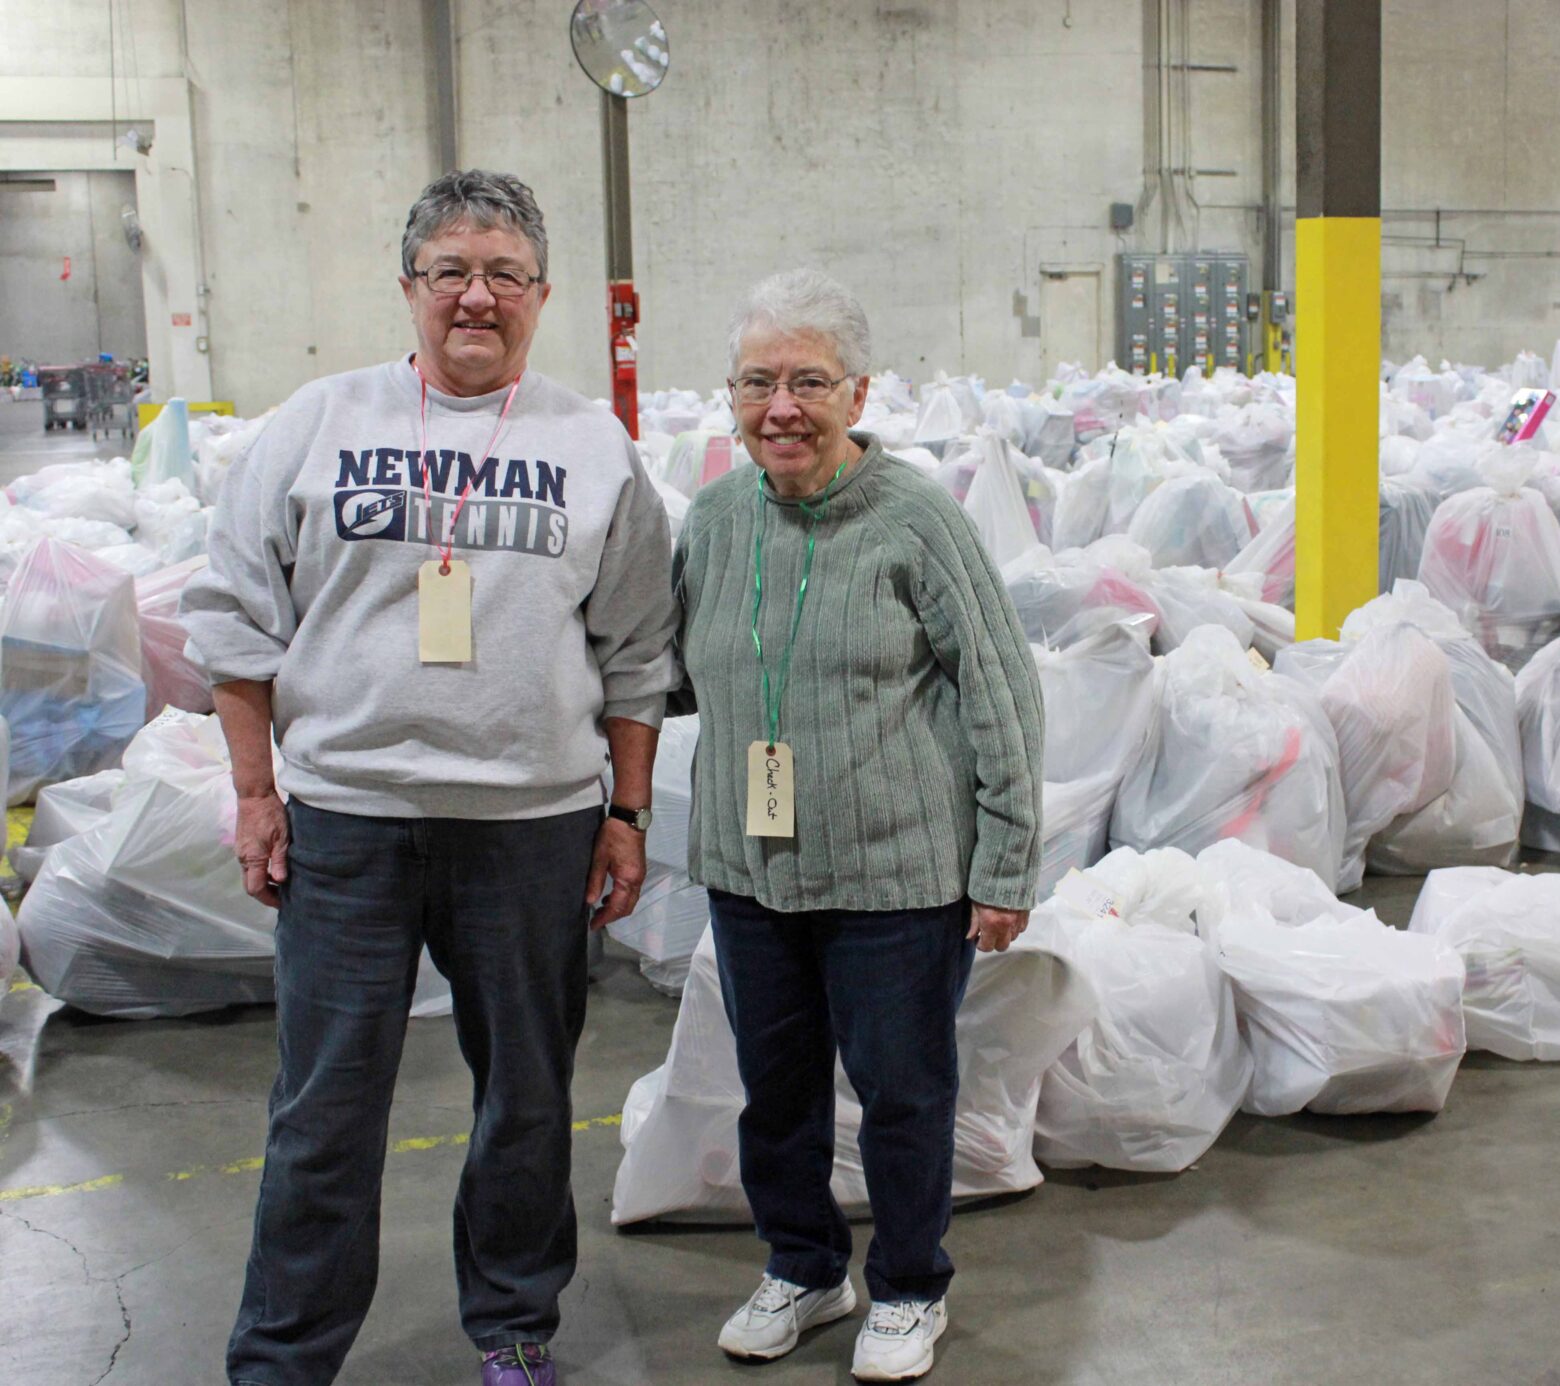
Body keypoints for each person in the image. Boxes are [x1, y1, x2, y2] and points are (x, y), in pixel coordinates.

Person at [181, 169, 678, 1386]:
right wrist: (255, 794)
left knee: (528, 1098)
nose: (476, 297)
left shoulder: (592, 447)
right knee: (325, 1108)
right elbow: (234, 624)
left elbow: (636, 653)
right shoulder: (318, 422)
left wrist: (625, 812)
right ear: (409, 287)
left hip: (531, 827)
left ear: (541, 295)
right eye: (451, 270)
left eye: (504, 274)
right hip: (348, 822)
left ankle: (513, 1325)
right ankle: (283, 1359)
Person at [671, 269, 1044, 1383]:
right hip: (753, 871)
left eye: (808, 382)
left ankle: (911, 1287)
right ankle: (804, 1266)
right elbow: (668, 666)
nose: (780, 407)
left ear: (859, 393)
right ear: (732, 397)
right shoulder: (715, 518)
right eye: (757, 383)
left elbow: (1001, 691)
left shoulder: (916, 519)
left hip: (898, 878)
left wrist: (1006, 860)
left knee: (903, 1094)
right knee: (776, 1092)